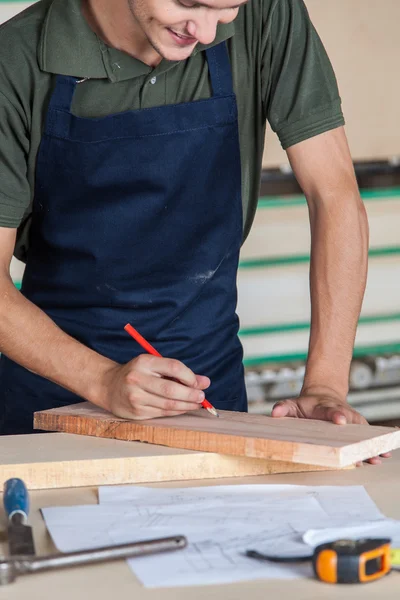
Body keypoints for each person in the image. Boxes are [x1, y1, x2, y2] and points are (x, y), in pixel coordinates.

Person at [0, 0, 389, 462]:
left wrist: (325, 386)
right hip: (53, 400)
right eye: (189, 3)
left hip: (207, 395)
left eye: (227, 8)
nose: (206, 32)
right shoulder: (14, 61)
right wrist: (102, 380)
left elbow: (335, 194)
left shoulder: (266, 13)